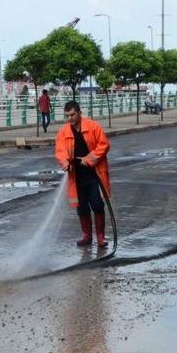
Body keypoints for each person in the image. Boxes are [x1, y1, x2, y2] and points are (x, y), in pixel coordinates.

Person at [54, 100, 111, 247]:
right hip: (76, 175)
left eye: (72, 114)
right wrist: (65, 163)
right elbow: (60, 152)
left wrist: (89, 158)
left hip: (93, 174)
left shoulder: (93, 127)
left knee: (97, 204)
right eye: (67, 115)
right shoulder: (63, 132)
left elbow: (104, 145)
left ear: (79, 112)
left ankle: (100, 236)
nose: (70, 118)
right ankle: (86, 235)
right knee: (81, 206)